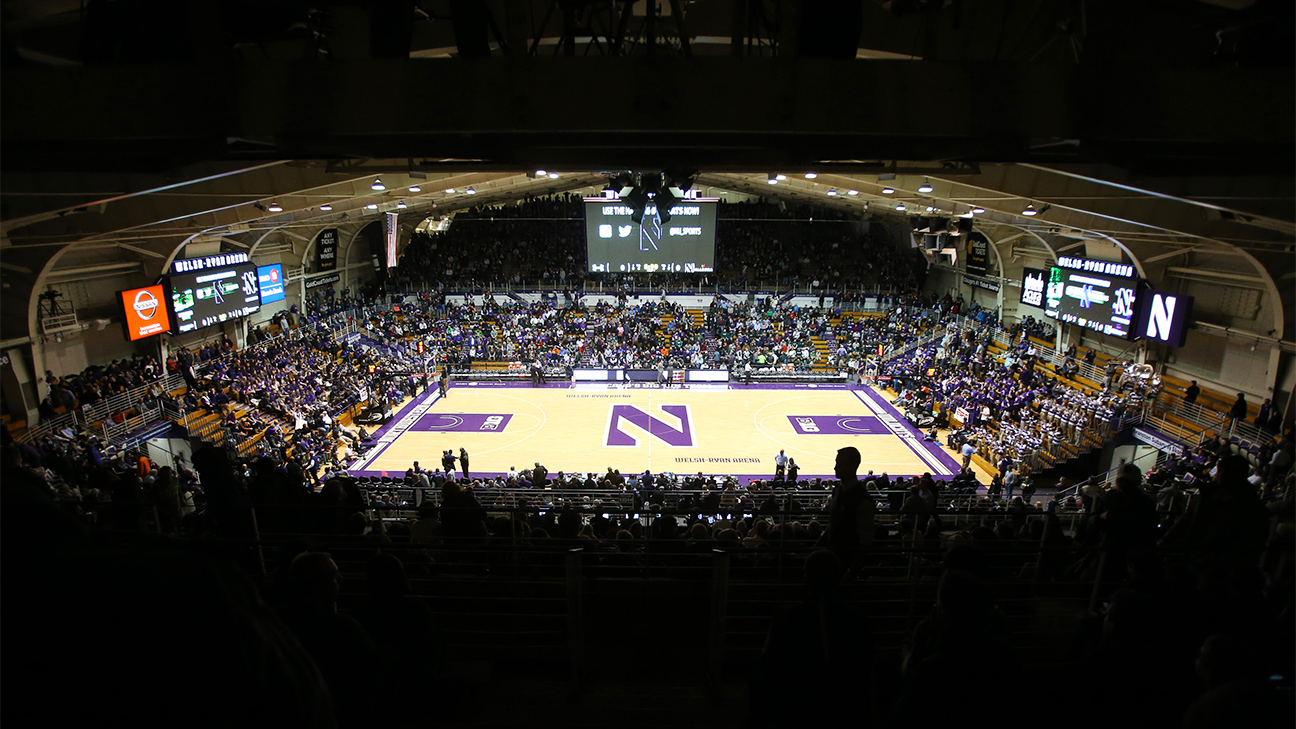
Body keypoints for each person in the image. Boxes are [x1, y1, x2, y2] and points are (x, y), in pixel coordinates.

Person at [825, 446, 875, 572]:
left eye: (840, 463)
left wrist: (852, 572)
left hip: (847, 560)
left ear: (852, 466)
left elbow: (865, 542)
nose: (835, 467)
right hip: (833, 555)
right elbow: (833, 523)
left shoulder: (862, 499)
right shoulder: (837, 490)